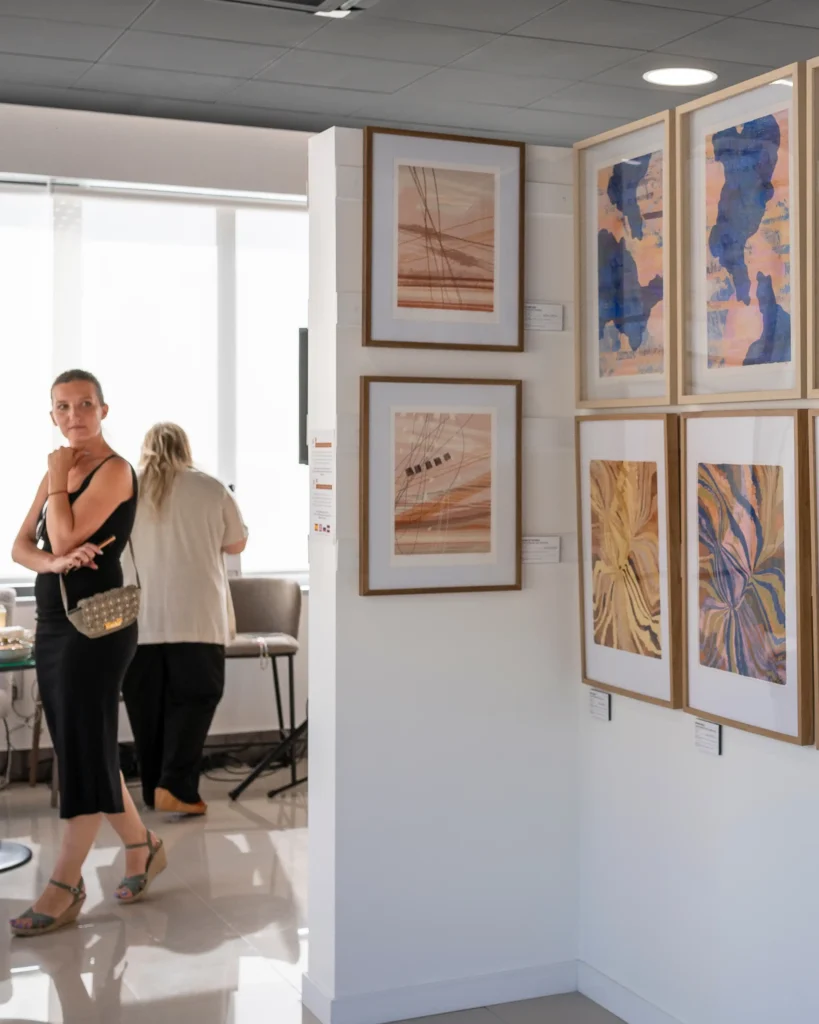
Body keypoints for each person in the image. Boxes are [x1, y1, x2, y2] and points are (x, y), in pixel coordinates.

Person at [10, 370, 166, 937]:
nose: (73, 415)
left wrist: (56, 489)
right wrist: (49, 564)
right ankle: (141, 845)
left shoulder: (115, 470)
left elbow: (68, 534)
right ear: (51, 415)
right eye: (62, 407)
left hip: (96, 628)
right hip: (54, 623)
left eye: (84, 405)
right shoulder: (58, 471)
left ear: (104, 410)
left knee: (79, 751)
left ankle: (65, 884)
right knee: (87, 741)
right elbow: (22, 546)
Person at [122, 423, 248, 816]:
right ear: (185, 448)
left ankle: (155, 788)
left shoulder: (126, 488)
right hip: (197, 617)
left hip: (139, 621)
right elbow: (236, 543)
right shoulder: (211, 488)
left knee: (146, 707)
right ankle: (176, 786)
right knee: (195, 699)